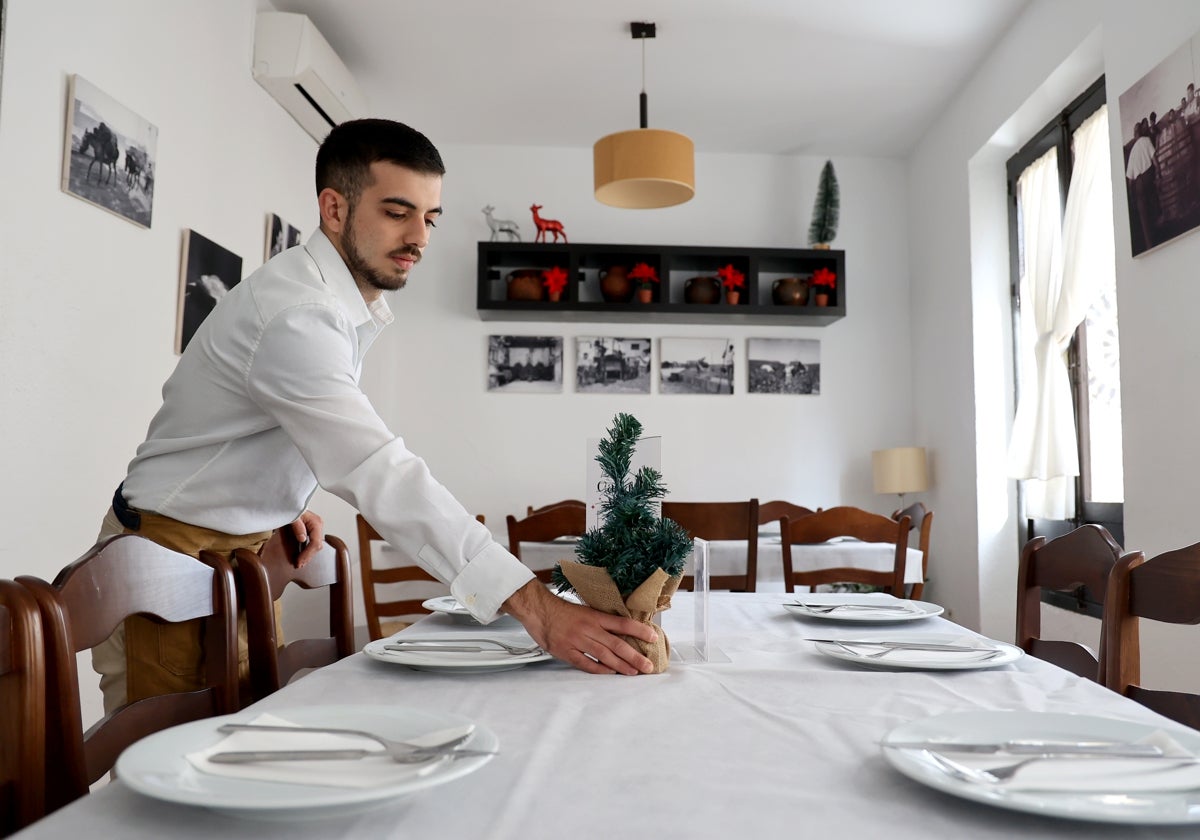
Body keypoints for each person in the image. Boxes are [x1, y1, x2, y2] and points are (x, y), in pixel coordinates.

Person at [93, 119, 656, 713]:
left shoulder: (327, 303)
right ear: (333, 209)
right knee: (171, 790)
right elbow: (375, 467)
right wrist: (538, 610)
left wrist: (279, 499)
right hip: (168, 558)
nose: (420, 236)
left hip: (235, 552)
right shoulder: (297, 313)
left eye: (430, 217)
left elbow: (263, 426)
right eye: (397, 212)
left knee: (236, 750)